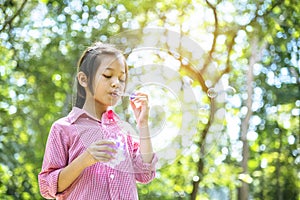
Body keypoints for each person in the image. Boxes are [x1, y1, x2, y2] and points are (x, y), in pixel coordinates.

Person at [38, 42, 157, 200]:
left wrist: (143, 125)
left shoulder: (124, 130)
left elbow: (145, 173)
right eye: (107, 75)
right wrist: (85, 159)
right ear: (83, 79)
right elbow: (47, 187)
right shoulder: (64, 128)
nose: (116, 83)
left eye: (122, 79)